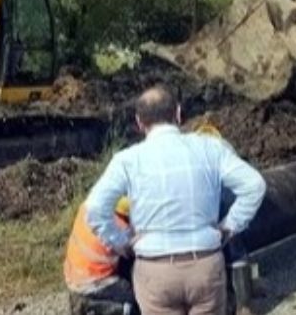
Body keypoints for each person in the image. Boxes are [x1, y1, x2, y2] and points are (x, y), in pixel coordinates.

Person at [85, 85, 266, 315]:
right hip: (205, 266)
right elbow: (254, 185)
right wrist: (229, 226)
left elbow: (94, 208)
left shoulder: (127, 161)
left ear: (139, 123)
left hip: (155, 272)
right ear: (178, 114)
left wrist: (121, 242)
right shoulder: (210, 148)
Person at [65, 197, 136, 315]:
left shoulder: (89, 205)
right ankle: (103, 308)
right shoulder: (118, 227)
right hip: (94, 283)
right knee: (142, 298)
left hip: (75, 275)